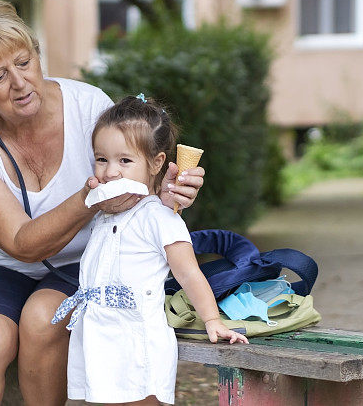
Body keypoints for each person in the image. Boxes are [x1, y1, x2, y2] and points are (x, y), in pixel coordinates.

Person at [0, 0, 205, 405]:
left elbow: (130, 185)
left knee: (43, 319)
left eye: (24, 62)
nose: (20, 82)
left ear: (37, 53)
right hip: (2, 263)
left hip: (89, 257)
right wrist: (89, 197)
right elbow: (20, 244)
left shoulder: (88, 106)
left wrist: (160, 194)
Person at [52, 95, 248, 404]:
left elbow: (189, 273)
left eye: (124, 160)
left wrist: (212, 320)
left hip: (135, 341)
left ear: (156, 163)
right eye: (102, 159)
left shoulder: (158, 217)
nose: (111, 172)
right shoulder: (104, 215)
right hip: (98, 338)